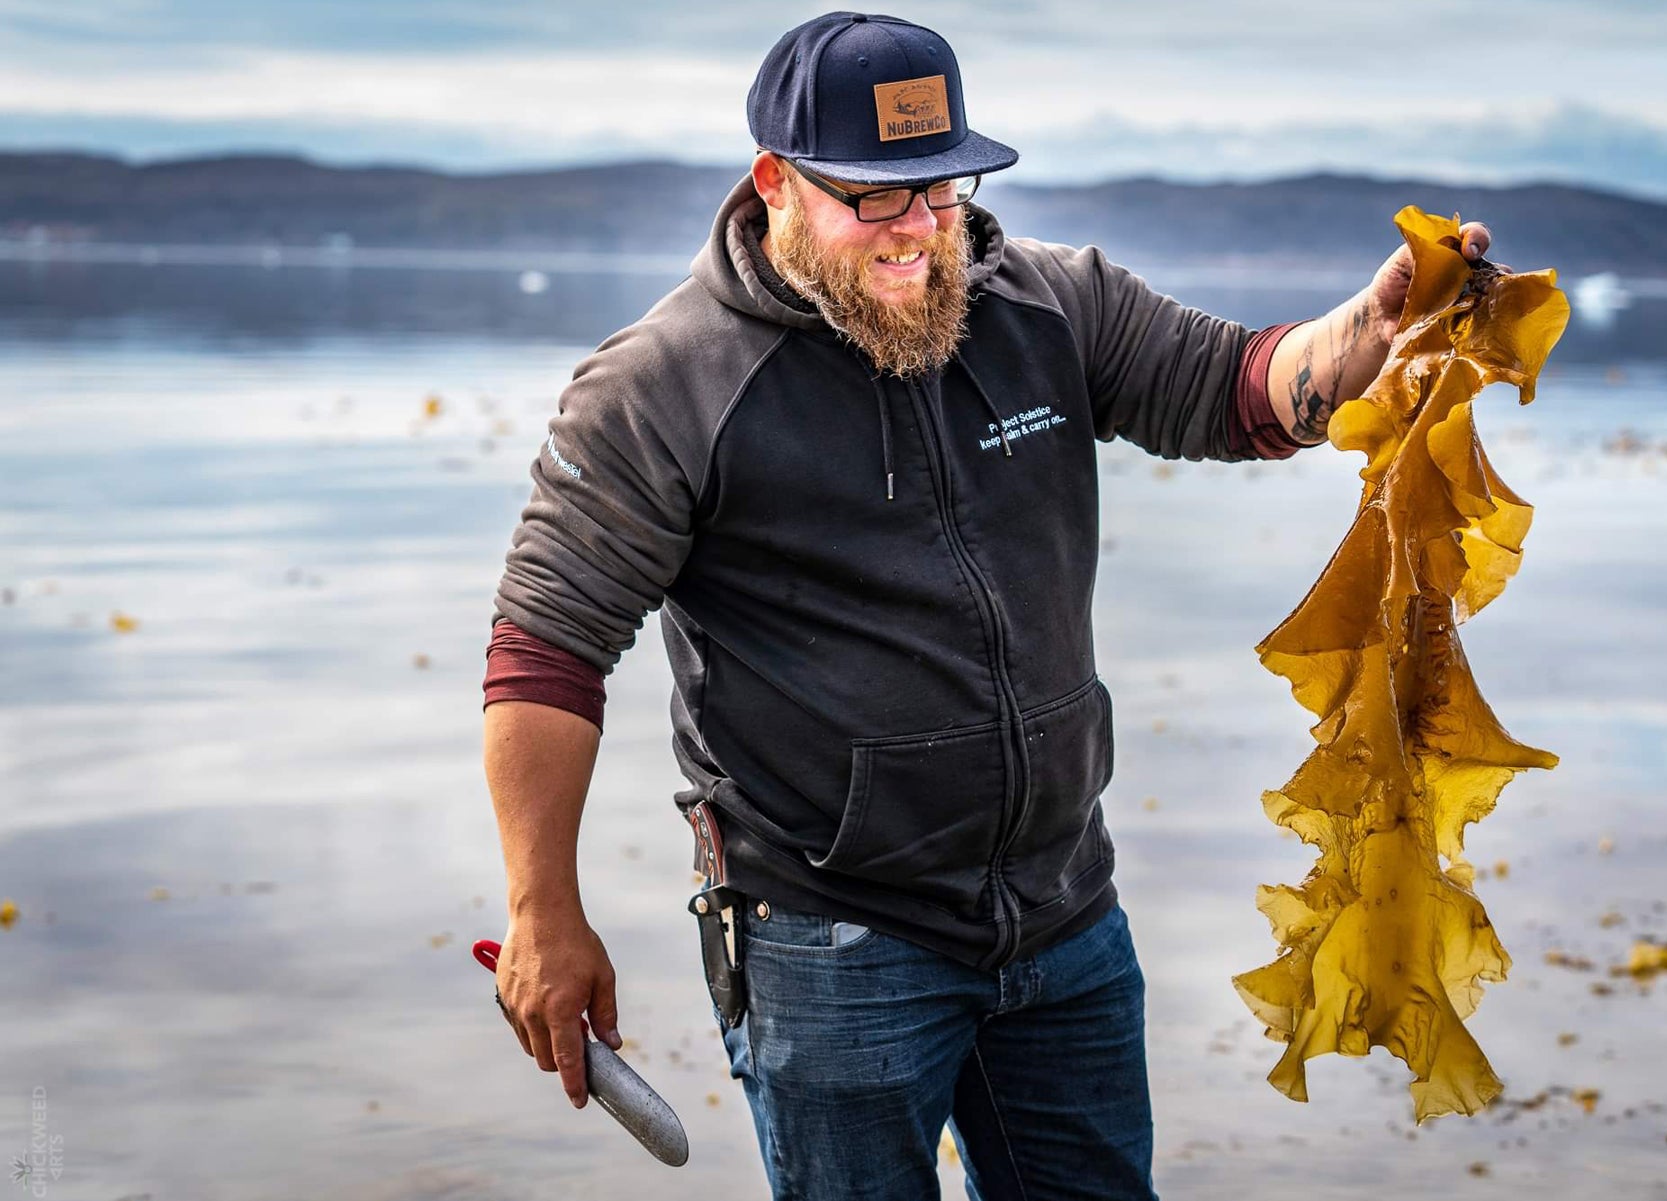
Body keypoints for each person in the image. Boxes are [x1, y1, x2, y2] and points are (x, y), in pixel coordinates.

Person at [481, 11, 1497, 1199]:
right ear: (775, 184)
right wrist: (543, 909)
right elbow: (547, 651)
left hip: (1064, 915)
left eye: (942, 189)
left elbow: (1240, 389)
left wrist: (1374, 327)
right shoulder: (663, 386)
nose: (918, 229)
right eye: (876, 197)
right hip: (831, 935)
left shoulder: (1051, 305)